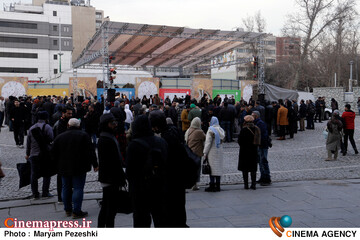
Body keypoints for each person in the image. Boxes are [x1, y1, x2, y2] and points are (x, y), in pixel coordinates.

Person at [126, 115, 168, 227]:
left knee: (141, 222)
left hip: (140, 189)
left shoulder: (133, 145)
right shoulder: (161, 142)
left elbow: (129, 171)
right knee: (161, 220)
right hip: (159, 187)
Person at [52, 118, 98, 219]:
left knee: (66, 188)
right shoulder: (84, 135)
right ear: (79, 125)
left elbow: (54, 153)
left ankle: (67, 209)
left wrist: (56, 166)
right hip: (79, 166)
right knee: (78, 188)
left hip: (64, 166)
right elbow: (91, 151)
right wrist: (95, 164)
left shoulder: (60, 137)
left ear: (68, 125)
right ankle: (76, 211)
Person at [149, 110, 188, 227]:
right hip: (179, 179)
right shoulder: (175, 132)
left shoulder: (164, 140)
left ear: (155, 126)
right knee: (179, 208)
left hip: (170, 180)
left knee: (171, 211)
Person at [97, 113, 126, 227]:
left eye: (115, 123)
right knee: (110, 208)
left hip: (110, 177)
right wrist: (120, 177)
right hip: (110, 178)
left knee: (107, 207)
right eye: (112, 123)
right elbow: (111, 162)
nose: (115, 125)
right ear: (106, 124)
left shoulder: (107, 136)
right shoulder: (106, 139)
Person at [26, 111, 54, 199]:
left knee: (34, 174)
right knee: (47, 173)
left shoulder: (31, 128)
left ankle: (35, 193)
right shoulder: (47, 127)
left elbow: (28, 142)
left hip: (34, 154)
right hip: (45, 153)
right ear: (46, 118)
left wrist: (27, 153)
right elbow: (51, 138)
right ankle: (45, 192)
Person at [238, 115, 261, 190]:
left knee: (245, 169)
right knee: (253, 169)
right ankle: (253, 184)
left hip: (244, 151)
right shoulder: (256, 128)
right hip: (253, 151)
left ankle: (246, 185)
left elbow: (240, 141)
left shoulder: (244, 130)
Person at [203, 116, 225, 192]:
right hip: (219, 151)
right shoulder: (221, 130)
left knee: (211, 169)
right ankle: (218, 185)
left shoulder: (210, 130)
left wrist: (205, 152)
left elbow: (208, 143)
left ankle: (212, 185)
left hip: (212, 152)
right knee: (218, 168)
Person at [185, 117, 206, 191]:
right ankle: (195, 184)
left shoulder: (188, 130)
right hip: (197, 152)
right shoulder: (199, 131)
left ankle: (189, 183)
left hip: (189, 152)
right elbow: (205, 138)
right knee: (197, 169)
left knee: (190, 169)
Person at [252, 111, 271, 186]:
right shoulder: (257, 123)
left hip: (262, 145)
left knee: (264, 161)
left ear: (256, 116)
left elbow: (262, 135)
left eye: (252, 115)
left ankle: (267, 177)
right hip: (260, 145)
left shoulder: (260, 123)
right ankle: (262, 177)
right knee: (260, 161)